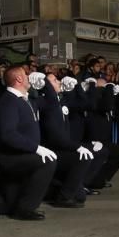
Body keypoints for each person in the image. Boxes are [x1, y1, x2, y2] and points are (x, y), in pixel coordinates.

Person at [0, 65, 57, 220]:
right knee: (46, 162)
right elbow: (8, 135)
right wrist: (36, 148)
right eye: (26, 75)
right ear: (19, 79)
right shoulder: (8, 102)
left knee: (8, 204)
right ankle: (25, 209)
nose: (29, 77)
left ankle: (19, 206)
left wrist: (45, 82)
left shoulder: (26, 99)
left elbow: (52, 103)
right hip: (8, 156)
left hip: (22, 153)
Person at [35, 72, 93, 208]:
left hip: (63, 147)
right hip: (52, 150)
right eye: (55, 80)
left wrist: (75, 87)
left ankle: (58, 188)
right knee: (82, 157)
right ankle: (63, 197)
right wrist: (76, 147)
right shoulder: (45, 102)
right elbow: (55, 137)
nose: (60, 82)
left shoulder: (61, 99)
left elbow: (84, 103)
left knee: (80, 197)